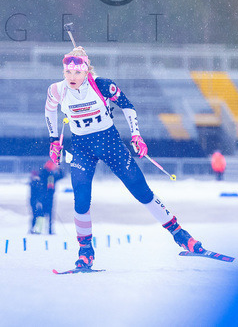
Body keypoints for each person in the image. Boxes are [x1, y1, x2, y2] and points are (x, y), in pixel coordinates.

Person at [45, 47, 206, 270]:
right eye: (67, 72)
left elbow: (128, 107)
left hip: (109, 142)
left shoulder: (102, 85)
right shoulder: (57, 90)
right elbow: (49, 110)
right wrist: (54, 140)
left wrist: (136, 135)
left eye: (77, 72)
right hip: (82, 147)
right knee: (81, 200)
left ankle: (181, 235)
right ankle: (85, 252)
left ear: (87, 71)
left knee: (141, 190)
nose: (72, 77)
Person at [28, 160, 62, 234]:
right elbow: (60, 176)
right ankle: (43, 229)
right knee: (44, 214)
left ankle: (39, 229)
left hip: (45, 197)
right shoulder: (47, 175)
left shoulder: (48, 175)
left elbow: (60, 176)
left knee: (40, 214)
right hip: (45, 197)